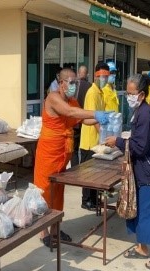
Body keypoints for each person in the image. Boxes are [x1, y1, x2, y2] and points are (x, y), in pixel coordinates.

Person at [34, 67, 110, 247]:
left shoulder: (73, 101)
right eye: (71, 82)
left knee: (58, 193)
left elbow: (82, 119)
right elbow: (70, 113)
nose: (74, 85)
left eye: (76, 82)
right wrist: (95, 113)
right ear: (61, 83)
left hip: (63, 154)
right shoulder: (53, 98)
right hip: (48, 153)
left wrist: (101, 118)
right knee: (44, 192)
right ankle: (43, 232)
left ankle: (55, 229)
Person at [104, 74, 150, 271]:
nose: (129, 96)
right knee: (138, 210)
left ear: (141, 94)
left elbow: (140, 147)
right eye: (127, 92)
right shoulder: (139, 111)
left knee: (148, 213)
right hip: (142, 170)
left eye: (131, 93)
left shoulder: (145, 113)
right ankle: (142, 247)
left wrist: (117, 141)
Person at [79, 62, 110, 211]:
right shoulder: (92, 93)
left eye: (106, 76)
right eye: (102, 76)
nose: (104, 79)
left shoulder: (101, 92)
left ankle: (95, 199)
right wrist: (103, 137)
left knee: (96, 172)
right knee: (88, 173)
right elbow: (93, 117)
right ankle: (86, 200)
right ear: (96, 76)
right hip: (90, 140)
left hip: (98, 140)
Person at [70, 65, 91, 167]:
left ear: (79, 73)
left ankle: (74, 169)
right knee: (83, 148)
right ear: (87, 74)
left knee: (73, 148)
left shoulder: (74, 86)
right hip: (85, 120)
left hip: (74, 121)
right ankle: (83, 168)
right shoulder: (90, 86)